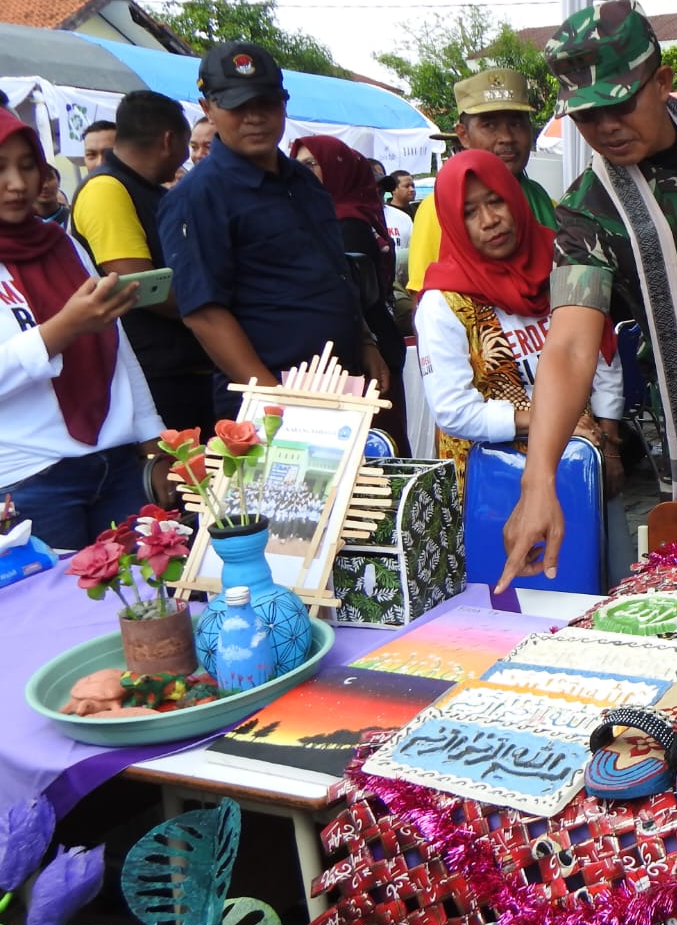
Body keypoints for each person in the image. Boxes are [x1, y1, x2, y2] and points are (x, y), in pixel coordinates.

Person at [497, 0, 677, 586]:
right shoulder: (587, 210)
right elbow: (569, 345)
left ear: (665, 83)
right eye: (588, 117)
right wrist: (539, 479)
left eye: (620, 105)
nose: (607, 129)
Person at [158, 42, 388, 416]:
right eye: (238, 106)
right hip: (269, 402)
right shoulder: (198, 196)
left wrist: (365, 340)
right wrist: (273, 401)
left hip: (338, 387)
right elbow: (204, 312)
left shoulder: (305, 181)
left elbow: (335, 273)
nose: (255, 118)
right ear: (208, 109)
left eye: (265, 103)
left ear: (284, 103)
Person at [0, 109, 167, 550]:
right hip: (28, 478)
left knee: (147, 604)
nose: (17, 184)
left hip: (115, 466)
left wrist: (154, 440)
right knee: (57, 615)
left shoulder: (61, 243)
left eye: (26, 165)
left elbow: (117, 345)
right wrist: (63, 329)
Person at [414, 149, 623, 490]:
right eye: (469, 213)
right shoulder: (444, 302)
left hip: (583, 460)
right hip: (494, 480)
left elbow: (601, 355)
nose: (489, 220)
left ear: (514, 197)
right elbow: (453, 411)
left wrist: (610, 444)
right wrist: (553, 422)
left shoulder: (564, 264)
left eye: (496, 201)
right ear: (452, 222)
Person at [71, 90, 215, 433]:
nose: (187, 156)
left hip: (185, 365)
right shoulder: (106, 189)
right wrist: (218, 315)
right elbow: (140, 285)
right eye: (186, 143)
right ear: (169, 140)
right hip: (156, 374)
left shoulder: (151, 189)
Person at [289, 134, 411, 456]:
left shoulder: (343, 222)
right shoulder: (335, 217)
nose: (300, 173)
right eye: (296, 165)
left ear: (337, 168)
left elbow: (347, 295)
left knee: (373, 454)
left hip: (360, 355)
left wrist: (365, 341)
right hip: (365, 347)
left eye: (311, 164)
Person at [403, 70, 556, 291]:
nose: (507, 138)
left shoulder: (549, 204)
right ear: (463, 134)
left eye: (516, 123)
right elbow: (424, 297)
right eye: (490, 126)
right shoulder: (438, 210)